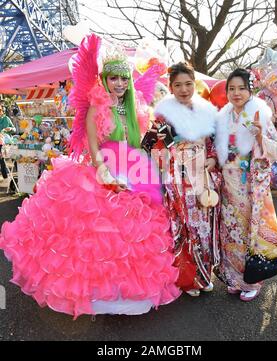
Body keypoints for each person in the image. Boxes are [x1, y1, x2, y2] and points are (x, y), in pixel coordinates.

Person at [0, 34, 180, 319]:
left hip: (133, 173)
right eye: (114, 79)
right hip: (101, 172)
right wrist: (105, 174)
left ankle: (125, 290)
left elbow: (135, 146)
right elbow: (94, 148)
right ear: (105, 79)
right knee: (94, 238)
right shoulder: (97, 106)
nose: (119, 84)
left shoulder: (134, 109)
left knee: (130, 238)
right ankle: (94, 293)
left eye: (123, 79)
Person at [143, 62, 221, 296]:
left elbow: (215, 143)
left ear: (194, 84)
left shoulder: (207, 111)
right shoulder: (162, 115)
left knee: (204, 224)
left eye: (188, 84)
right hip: (177, 175)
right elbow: (149, 145)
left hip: (202, 173)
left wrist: (213, 159)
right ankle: (188, 278)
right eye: (178, 85)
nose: (184, 89)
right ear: (171, 87)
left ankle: (205, 272)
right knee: (184, 226)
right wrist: (166, 152)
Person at [214, 68, 277, 301]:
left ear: (250, 90)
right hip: (229, 182)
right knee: (230, 232)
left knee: (248, 232)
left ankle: (252, 281)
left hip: (249, 184)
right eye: (232, 89)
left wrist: (258, 137)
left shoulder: (260, 113)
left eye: (241, 88)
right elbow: (219, 150)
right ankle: (235, 279)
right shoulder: (223, 116)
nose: (236, 93)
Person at [0, 104, 16, 179]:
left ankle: (8, 175)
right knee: (1, 159)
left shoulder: (6, 118)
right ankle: (5, 176)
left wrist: (10, 129)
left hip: (7, 142)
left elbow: (14, 129)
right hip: (1, 142)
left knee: (11, 157)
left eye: (1, 110)